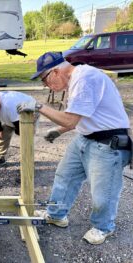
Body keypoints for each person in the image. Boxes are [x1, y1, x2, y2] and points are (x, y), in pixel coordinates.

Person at [17, 51, 132, 245]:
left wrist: (39, 107)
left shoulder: (85, 78)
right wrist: (59, 131)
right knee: (65, 176)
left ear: (55, 71)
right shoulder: (76, 79)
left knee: (103, 192)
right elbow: (81, 116)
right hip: (85, 138)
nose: (46, 86)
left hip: (107, 143)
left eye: (44, 80)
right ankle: (56, 214)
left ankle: (103, 227)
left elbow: (71, 119)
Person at [0, 90, 36, 169]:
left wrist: (22, 132)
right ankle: (0, 158)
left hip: (28, 113)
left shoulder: (9, 104)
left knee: (26, 138)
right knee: (3, 135)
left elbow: (19, 128)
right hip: (13, 118)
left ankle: (28, 163)